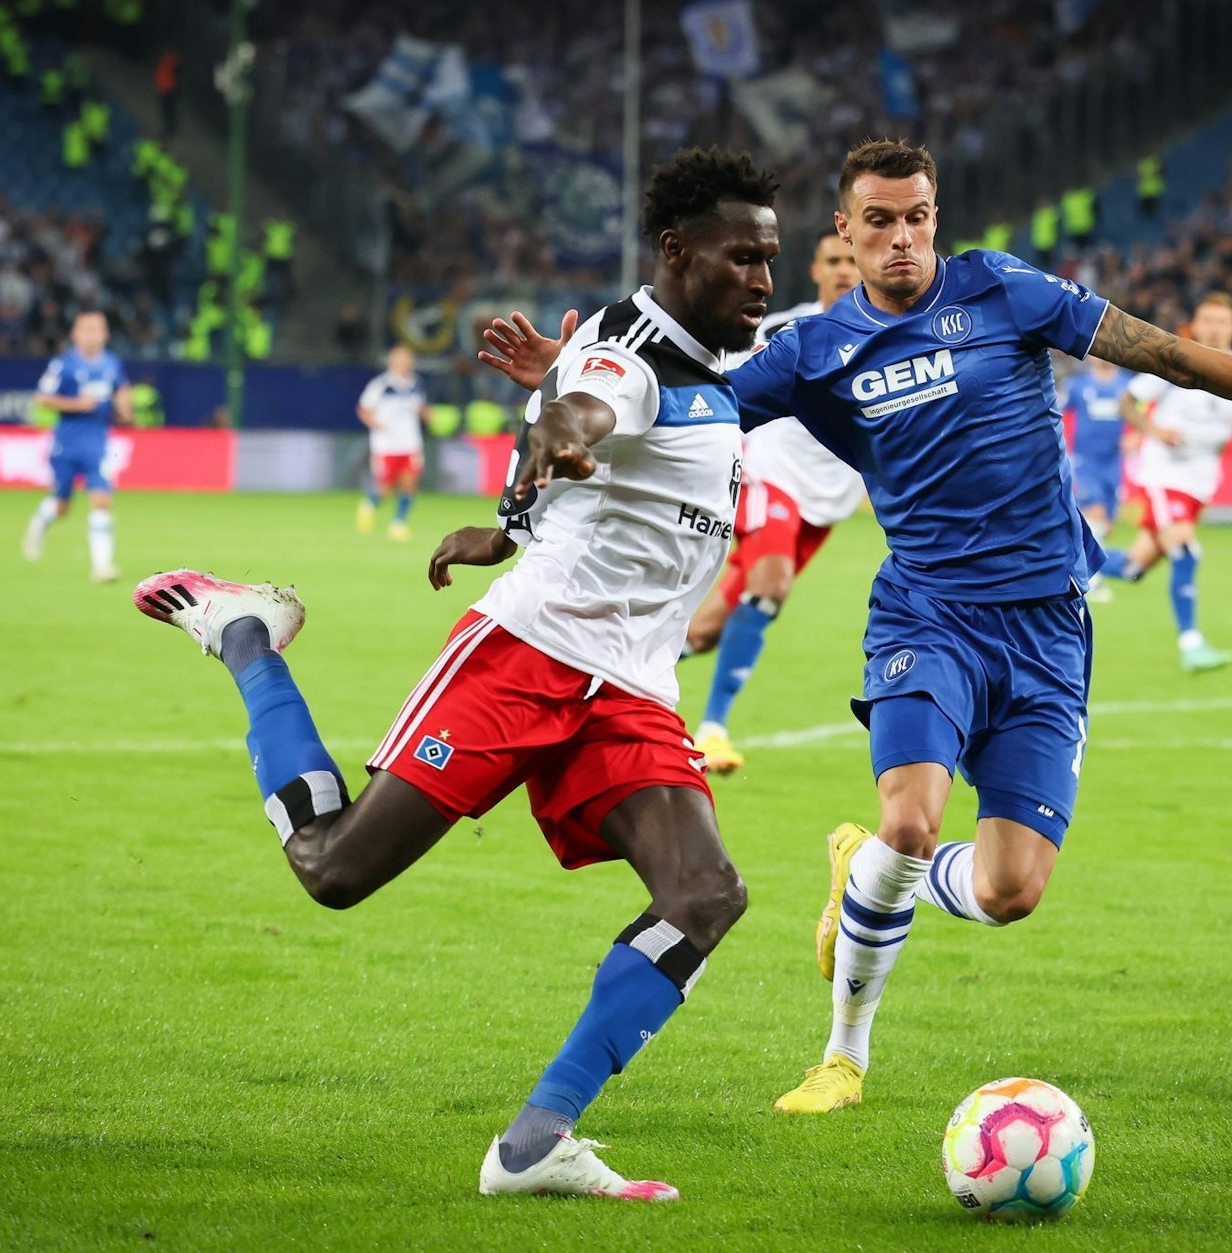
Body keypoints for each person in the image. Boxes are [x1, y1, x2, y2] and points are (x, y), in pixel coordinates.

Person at [469, 140, 1232, 1116]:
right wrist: (567, 393)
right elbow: (676, 413)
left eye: (917, 217)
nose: (901, 237)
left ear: (936, 217)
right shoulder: (811, 352)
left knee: (1012, 890)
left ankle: (866, 869)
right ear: (844, 229)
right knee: (911, 818)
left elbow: (1173, 355)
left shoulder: (1005, 292)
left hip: (1048, 626)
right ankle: (842, 1057)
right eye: (879, 220)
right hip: (926, 614)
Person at [131, 148, 780, 1200]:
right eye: (742, 257)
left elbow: (584, 425)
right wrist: (557, 428)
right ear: (676, 251)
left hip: (629, 688)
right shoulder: (629, 355)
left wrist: (515, 510)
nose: (761, 278)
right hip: (527, 656)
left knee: (705, 894)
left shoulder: (696, 363)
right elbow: (586, 413)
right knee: (332, 868)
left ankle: (535, 1142)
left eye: (769, 258)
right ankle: (243, 632)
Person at [684, 226, 864, 775]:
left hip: (825, 505)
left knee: (706, 631)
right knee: (771, 584)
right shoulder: (787, 330)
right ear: (816, 271)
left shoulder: (895, 337)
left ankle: (600, 678)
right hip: (768, 477)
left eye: (851, 261)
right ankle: (712, 730)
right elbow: (723, 385)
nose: (843, 269)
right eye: (833, 260)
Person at [1096, 294, 1232, 673]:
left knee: (1133, 568)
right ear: (1196, 324)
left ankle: (1068, 559)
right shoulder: (1177, 361)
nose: (1214, 328)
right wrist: (1154, 430)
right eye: (1208, 320)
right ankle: (1191, 645)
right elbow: (1126, 402)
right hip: (1163, 474)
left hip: (1200, 485)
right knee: (1186, 552)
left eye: (1222, 321)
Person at [23, 310, 132, 582]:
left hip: (98, 443)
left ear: (106, 334)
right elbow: (43, 397)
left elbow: (121, 390)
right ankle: (39, 523)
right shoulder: (64, 364)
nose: (92, 334)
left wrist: (124, 408)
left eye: (98, 329)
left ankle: (102, 566)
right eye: (87, 329)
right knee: (62, 506)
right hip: (67, 443)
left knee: (101, 500)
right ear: (75, 334)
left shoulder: (112, 364)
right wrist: (76, 404)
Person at [1059, 355, 1134, 550]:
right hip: (1085, 460)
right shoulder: (1077, 384)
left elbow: (1142, 415)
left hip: (1114, 460)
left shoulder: (1129, 385)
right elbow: (1057, 412)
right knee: (1094, 510)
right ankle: (1088, 566)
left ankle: (1090, 560)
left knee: (1107, 523)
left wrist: (1135, 436)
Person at [355, 345, 429, 541]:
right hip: (387, 444)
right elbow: (363, 410)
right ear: (392, 362)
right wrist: (375, 424)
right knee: (386, 486)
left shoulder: (416, 384)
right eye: (400, 359)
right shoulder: (380, 385)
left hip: (410, 443)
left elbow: (419, 407)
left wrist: (429, 415)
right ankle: (369, 505)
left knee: (410, 482)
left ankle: (398, 523)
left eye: (407, 359)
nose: (404, 363)